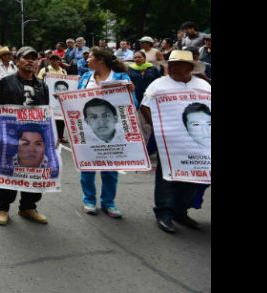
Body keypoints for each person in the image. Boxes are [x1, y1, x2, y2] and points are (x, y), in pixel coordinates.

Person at [140, 50, 211, 233]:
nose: (172, 68)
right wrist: (157, 127)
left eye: (177, 64)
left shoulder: (203, 86)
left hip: (198, 142)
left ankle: (181, 211)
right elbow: (145, 107)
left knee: (193, 176)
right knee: (167, 178)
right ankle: (164, 213)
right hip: (169, 141)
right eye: (170, 65)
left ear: (189, 67)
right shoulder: (158, 85)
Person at [0, 46, 51, 226]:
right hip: (10, 135)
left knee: (33, 171)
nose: (30, 61)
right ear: (17, 61)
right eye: (26, 58)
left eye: (34, 58)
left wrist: (49, 136)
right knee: (9, 169)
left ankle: (28, 207)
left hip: (34, 136)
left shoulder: (42, 86)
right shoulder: (5, 82)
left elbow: (45, 112)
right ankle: (2, 208)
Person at [77, 47, 136, 219]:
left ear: (101, 60)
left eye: (90, 57)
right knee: (87, 167)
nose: (87, 60)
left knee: (110, 169)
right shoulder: (86, 77)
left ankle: (108, 202)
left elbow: (132, 105)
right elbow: (76, 100)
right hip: (88, 131)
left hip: (113, 131)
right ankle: (89, 200)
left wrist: (131, 92)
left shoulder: (121, 78)